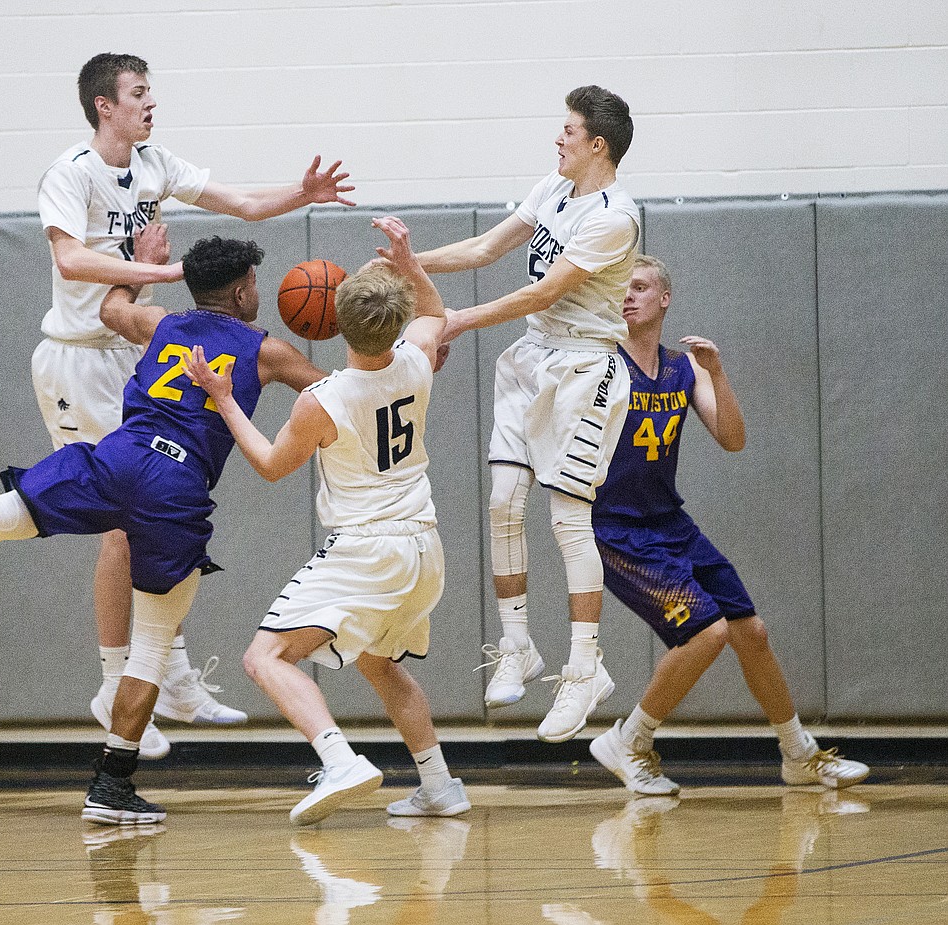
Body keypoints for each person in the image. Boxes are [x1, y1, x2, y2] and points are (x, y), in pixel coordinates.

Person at [0, 237, 326, 824]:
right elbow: (334, 392)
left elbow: (110, 309)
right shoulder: (268, 350)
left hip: (118, 456)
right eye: (255, 283)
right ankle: (112, 787)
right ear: (242, 290)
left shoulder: (161, 323)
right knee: (151, 646)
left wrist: (142, 260)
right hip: (175, 484)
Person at [36, 52, 356, 750]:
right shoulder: (71, 174)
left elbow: (239, 204)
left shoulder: (153, 163)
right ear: (103, 106)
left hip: (131, 347)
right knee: (125, 518)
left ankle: (171, 674)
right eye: (138, 93)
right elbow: (71, 261)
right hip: (77, 356)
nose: (151, 103)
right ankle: (114, 678)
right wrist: (163, 268)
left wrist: (302, 194)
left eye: (151, 91)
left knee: (154, 508)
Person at [184, 217, 470, 826]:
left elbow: (267, 464)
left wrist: (223, 396)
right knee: (375, 660)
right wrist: (409, 262)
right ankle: (440, 786)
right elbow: (434, 313)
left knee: (265, 658)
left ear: (332, 321)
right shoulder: (418, 362)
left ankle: (339, 760)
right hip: (423, 547)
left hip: (366, 550)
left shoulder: (323, 400)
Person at [587, 255, 870, 795]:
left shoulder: (683, 369)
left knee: (752, 633)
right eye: (621, 289)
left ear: (664, 298)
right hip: (616, 529)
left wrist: (717, 372)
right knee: (706, 632)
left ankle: (798, 755)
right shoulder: (601, 367)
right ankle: (630, 741)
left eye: (641, 287)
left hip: (670, 521)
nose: (629, 297)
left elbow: (733, 438)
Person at [414, 86, 640, 741]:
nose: (558, 139)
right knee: (502, 501)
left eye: (568, 131)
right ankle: (517, 643)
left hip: (583, 369)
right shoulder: (552, 187)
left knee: (568, 517)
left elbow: (544, 289)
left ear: (598, 143)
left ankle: (583, 667)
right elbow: (487, 248)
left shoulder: (615, 216)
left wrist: (457, 319)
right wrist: (408, 261)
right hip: (530, 356)